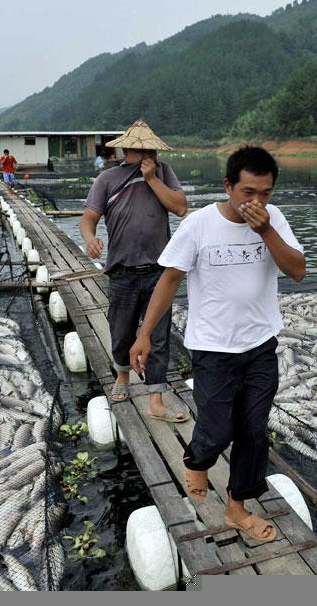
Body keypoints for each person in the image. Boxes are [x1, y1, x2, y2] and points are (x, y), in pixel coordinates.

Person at [129, 146, 305, 543]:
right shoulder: (199, 225)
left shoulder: (273, 220)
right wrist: (144, 334)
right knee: (216, 428)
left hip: (260, 345)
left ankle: (237, 509)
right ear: (228, 186)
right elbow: (169, 280)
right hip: (213, 349)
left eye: (265, 193)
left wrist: (265, 230)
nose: (257, 202)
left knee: (254, 431)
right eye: (248, 192)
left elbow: (296, 270)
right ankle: (197, 458)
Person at [80, 119, 188, 421]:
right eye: (139, 150)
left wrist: (153, 179)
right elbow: (89, 218)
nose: (145, 155)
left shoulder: (164, 173)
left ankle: (156, 397)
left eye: (149, 150)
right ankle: (123, 376)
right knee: (122, 330)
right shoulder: (107, 179)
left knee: (158, 335)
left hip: (159, 271)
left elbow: (180, 207)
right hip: (122, 270)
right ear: (126, 149)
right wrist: (90, 239)